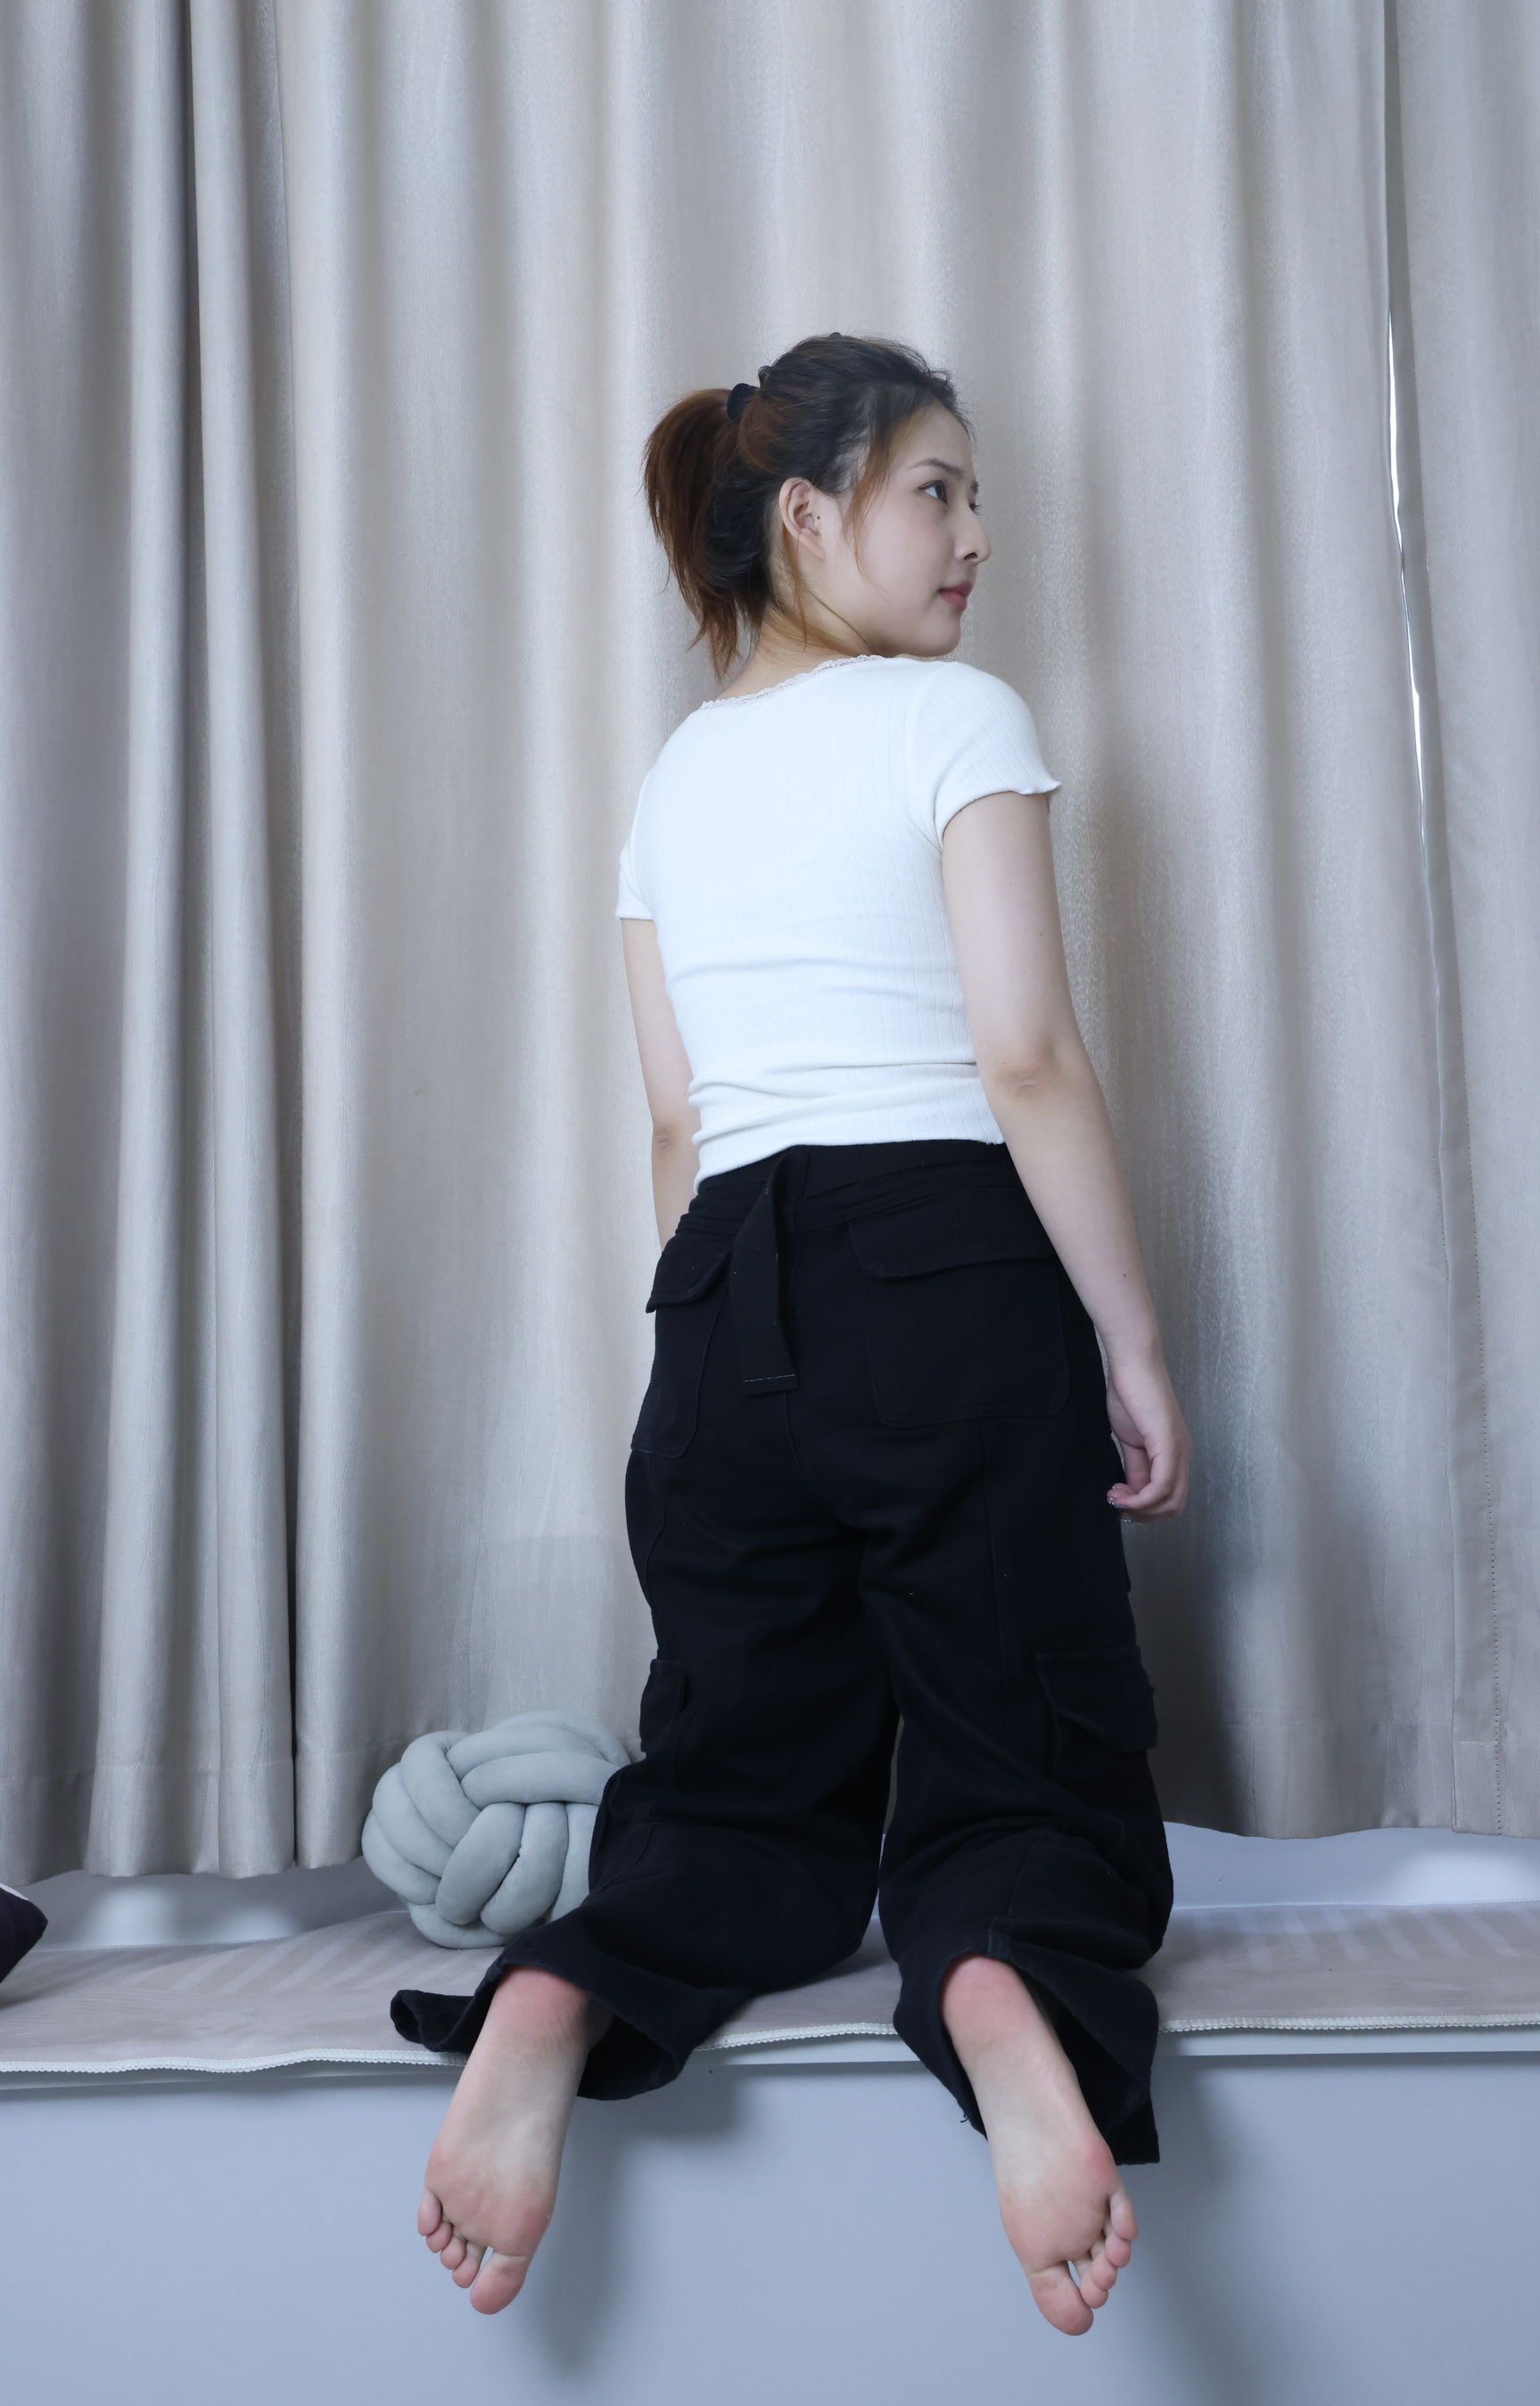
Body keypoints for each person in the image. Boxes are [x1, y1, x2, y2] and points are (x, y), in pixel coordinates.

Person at [389, 332, 1190, 2332]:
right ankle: (999, 1984)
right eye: (939, 490)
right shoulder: (955, 720)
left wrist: (731, 1356)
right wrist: (1128, 1338)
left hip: (721, 1290)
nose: (977, 535)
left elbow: (677, 1125)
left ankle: (560, 1992)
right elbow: (1024, 1053)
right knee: (1023, 1743)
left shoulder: (674, 781)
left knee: (741, 1771)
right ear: (813, 515)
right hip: (946, 1260)